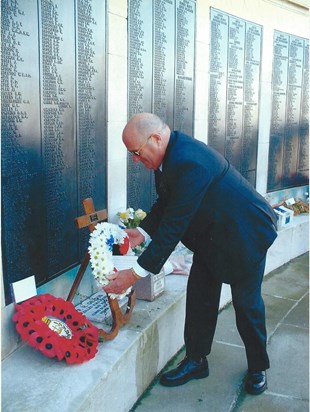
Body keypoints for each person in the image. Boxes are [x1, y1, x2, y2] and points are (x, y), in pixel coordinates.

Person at [104, 112, 278, 395]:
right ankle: (196, 360)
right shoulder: (172, 153)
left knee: (247, 306)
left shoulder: (189, 161)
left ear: (156, 139)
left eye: (136, 153)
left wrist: (134, 274)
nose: (135, 160)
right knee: (199, 297)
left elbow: (174, 225)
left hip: (245, 235)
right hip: (212, 237)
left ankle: (258, 367)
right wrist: (143, 232)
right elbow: (167, 202)